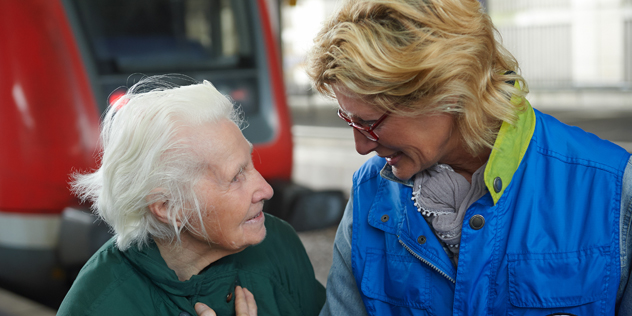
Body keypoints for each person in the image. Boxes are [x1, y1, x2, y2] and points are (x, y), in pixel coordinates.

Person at [306, 0, 632, 315]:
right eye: (348, 119)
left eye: (368, 122)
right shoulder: (369, 192)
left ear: (447, 92)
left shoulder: (615, 189)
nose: (361, 147)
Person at [57, 77, 325, 316]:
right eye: (236, 176)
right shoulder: (98, 305)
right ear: (168, 207)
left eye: (251, 163)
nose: (267, 189)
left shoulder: (279, 244)